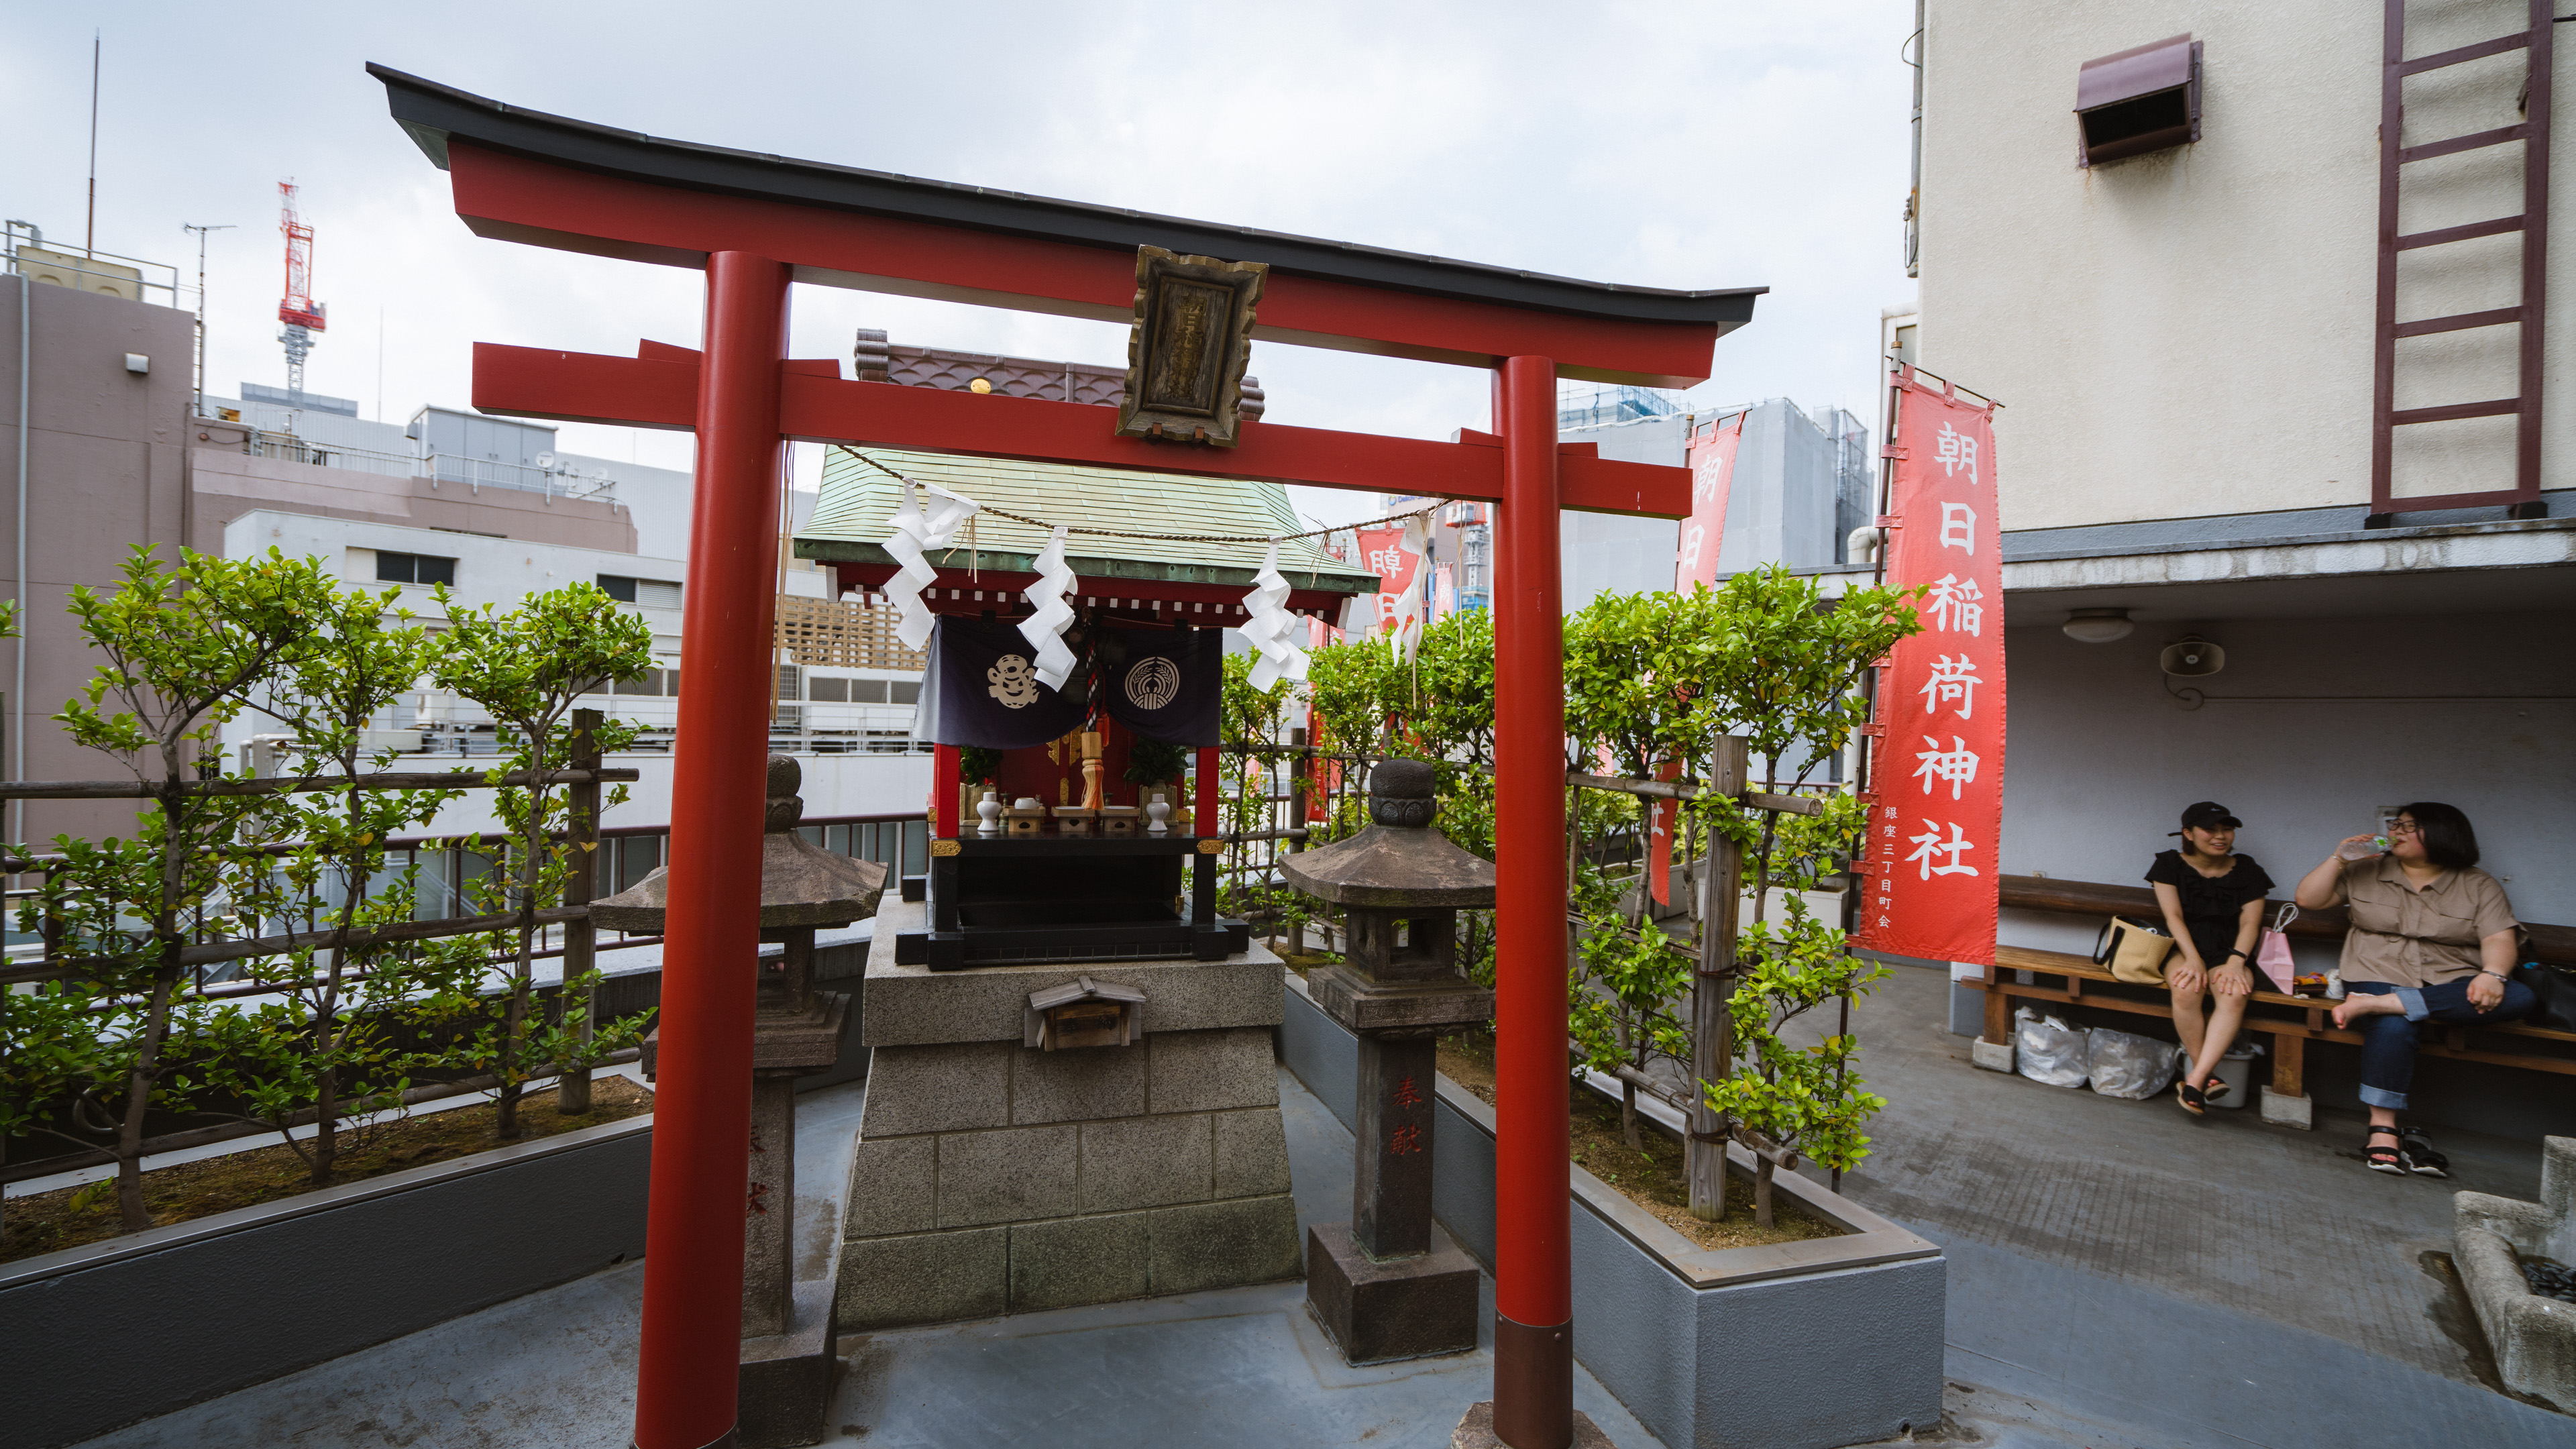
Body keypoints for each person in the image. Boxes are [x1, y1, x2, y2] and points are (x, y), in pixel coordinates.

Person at [2294, 802, 2533, 1177]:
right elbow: (2308, 899)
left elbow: (2499, 939)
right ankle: (2383, 1128)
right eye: (2396, 825)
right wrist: (2338, 859)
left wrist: (2492, 975)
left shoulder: (2478, 884)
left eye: (2409, 827)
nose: (2397, 831)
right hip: (2376, 969)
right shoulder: (2366, 870)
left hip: (2449, 979)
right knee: (2396, 1024)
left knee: (2519, 996)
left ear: (2443, 834)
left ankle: (2380, 1004)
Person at [2146, 801, 2274, 1115]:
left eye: (2226, 829)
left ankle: (2198, 1077)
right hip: (2183, 947)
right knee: (2186, 987)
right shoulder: (2169, 865)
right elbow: (2173, 916)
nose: (2221, 836)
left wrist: (2236, 961)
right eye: (2210, 829)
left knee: (2233, 992)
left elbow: (2250, 923)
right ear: (2188, 833)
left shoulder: (2247, 869)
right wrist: (2192, 958)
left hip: (2230, 951)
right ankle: (2205, 1075)